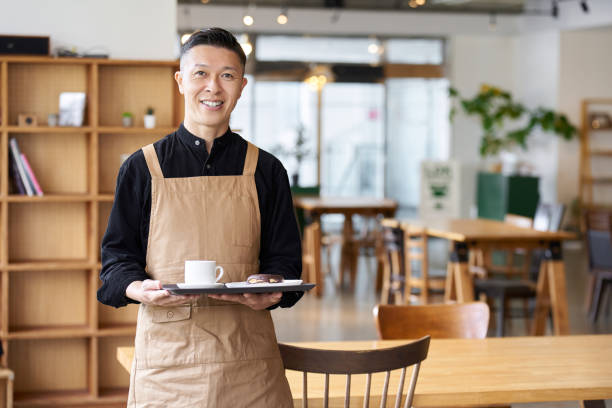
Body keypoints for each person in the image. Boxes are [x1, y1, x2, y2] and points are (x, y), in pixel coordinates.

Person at [97, 27, 302, 407]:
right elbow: (115, 265)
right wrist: (138, 288)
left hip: (249, 362)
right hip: (168, 364)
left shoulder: (267, 170)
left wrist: (272, 287)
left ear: (242, 85)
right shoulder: (142, 168)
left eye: (227, 76)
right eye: (201, 74)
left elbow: (286, 263)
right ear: (180, 81)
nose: (214, 87)